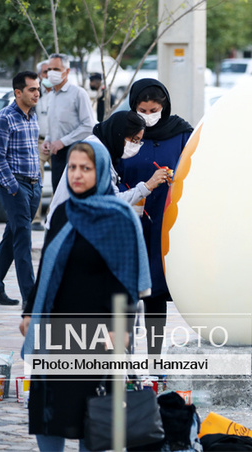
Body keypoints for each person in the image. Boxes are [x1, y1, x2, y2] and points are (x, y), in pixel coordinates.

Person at [20, 142, 150, 451]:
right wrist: (29, 312)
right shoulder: (64, 212)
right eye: (73, 168)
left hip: (98, 332)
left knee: (94, 417)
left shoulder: (119, 217)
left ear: (101, 171)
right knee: (48, 410)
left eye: (86, 169)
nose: (77, 175)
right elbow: (48, 266)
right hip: (56, 330)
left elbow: (127, 281)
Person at [119, 78, 193, 355]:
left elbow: (194, 171)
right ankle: (123, 355)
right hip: (127, 218)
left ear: (164, 107)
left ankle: (154, 355)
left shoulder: (181, 133)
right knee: (123, 289)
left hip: (164, 221)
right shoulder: (124, 132)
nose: (148, 117)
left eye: (153, 110)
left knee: (156, 290)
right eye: (142, 110)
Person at [46, 111, 169, 228]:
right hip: (69, 228)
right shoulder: (96, 153)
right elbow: (111, 201)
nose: (135, 145)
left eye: (138, 141)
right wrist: (147, 186)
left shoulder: (100, 147)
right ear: (119, 133)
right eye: (134, 140)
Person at [0, 72, 41, 306]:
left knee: (12, 235)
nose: (37, 93)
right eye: (31, 89)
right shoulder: (4, 117)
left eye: (38, 88)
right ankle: (31, 297)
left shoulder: (33, 115)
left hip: (33, 185)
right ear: (18, 92)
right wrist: (13, 188)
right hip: (16, 186)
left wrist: (38, 182)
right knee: (23, 240)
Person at [41, 53, 95, 191]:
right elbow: (52, 124)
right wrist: (48, 140)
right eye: (49, 70)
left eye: (56, 69)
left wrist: (63, 141)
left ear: (67, 71)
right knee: (58, 194)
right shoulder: (51, 95)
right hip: (56, 155)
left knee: (73, 194)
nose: (51, 73)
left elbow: (89, 125)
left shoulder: (78, 93)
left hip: (75, 152)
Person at [31, 60, 53, 231]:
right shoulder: (35, 95)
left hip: (57, 142)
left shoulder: (59, 93)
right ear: (40, 74)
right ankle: (35, 219)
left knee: (62, 180)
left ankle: (52, 215)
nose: (49, 75)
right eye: (46, 71)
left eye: (52, 71)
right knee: (37, 180)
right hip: (38, 141)